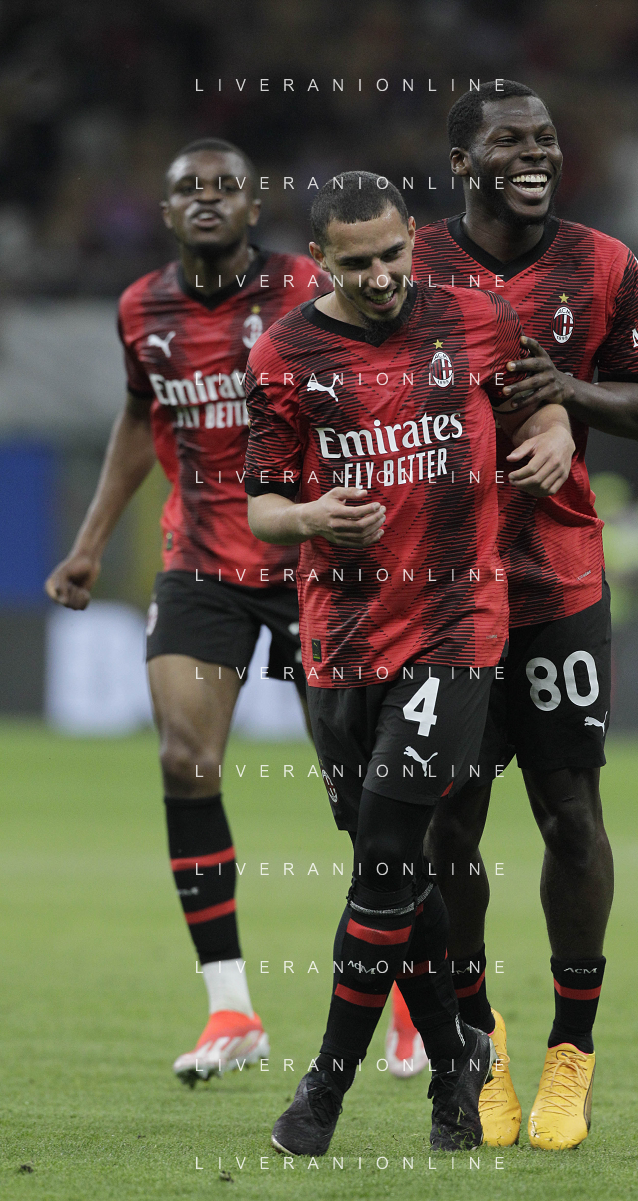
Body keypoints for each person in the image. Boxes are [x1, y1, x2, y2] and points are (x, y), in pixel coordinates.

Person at [244, 171, 575, 1154]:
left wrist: (555, 435)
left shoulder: (475, 319)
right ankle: (457, 1057)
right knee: (391, 869)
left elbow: (540, 406)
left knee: (389, 854)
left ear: (410, 239)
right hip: (339, 639)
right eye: (358, 264)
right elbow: (262, 506)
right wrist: (312, 515)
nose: (382, 274)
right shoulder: (284, 355)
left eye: (393, 253)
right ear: (321, 262)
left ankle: (323, 1091)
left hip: (454, 626)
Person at [386, 80, 638, 1150]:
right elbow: (364, 389)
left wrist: (567, 399)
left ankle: (570, 1051)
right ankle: (478, 1039)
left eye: (545, 138)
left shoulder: (605, 265)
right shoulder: (410, 264)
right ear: (463, 162)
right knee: (447, 822)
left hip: (556, 581)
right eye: (509, 141)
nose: (535, 153)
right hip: (441, 591)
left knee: (569, 814)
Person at [45, 138, 326, 1084]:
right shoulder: (142, 308)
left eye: (224, 187)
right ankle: (232, 1009)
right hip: (201, 562)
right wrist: (90, 542)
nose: (207, 199)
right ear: (166, 213)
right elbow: (141, 416)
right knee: (183, 758)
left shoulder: (305, 289)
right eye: (188, 190)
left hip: (311, 561)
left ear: (254, 206)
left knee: (360, 790)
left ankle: (410, 993)